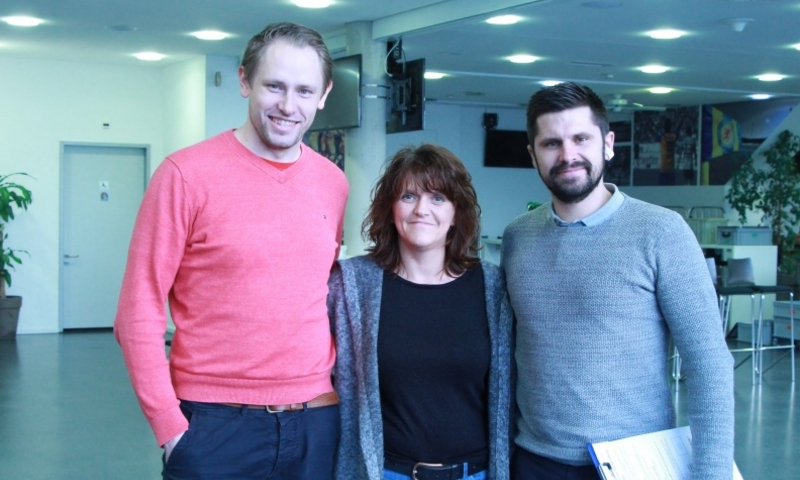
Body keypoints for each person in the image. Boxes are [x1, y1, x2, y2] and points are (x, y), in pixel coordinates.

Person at [114, 22, 348, 479]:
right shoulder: (184, 175)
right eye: (274, 86)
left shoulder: (333, 182)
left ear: (323, 95)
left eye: (304, 90)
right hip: (214, 422)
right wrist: (169, 426)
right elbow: (137, 307)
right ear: (244, 81)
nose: (288, 105)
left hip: (317, 419)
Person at [501, 82, 734, 480]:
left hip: (633, 463)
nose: (568, 155)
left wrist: (712, 474)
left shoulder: (661, 232)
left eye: (581, 139)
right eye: (551, 143)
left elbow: (708, 362)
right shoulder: (517, 237)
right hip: (534, 462)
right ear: (533, 155)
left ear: (607, 144)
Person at [329, 144, 513, 480]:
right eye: (409, 196)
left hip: (476, 474)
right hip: (386, 473)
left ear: (456, 213)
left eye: (438, 198)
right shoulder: (352, 286)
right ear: (390, 209)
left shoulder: (493, 287)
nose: (421, 209)